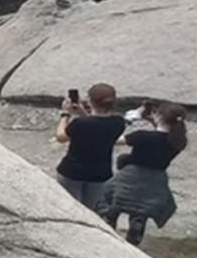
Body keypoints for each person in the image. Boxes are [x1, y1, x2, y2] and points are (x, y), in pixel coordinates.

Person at [102, 101, 187, 246]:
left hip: (131, 175)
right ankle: (134, 237)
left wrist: (130, 119)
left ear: (159, 116)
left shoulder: (142, 136)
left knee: (111, 200)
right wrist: (152, 120)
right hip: (156, 178)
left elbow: (114, 140)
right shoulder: (178, 141)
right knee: (140, 211)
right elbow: (161, 135)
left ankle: (108, 229)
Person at [54, 82, 125, 210]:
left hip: (72, 172)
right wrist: (83, 113)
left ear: (90, 101)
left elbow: (61, 137)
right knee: (90, 210)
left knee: (68, 207)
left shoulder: (80, 124)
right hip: (100, 173)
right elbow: (97, 127)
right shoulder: (118, 123)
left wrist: (65, 115)